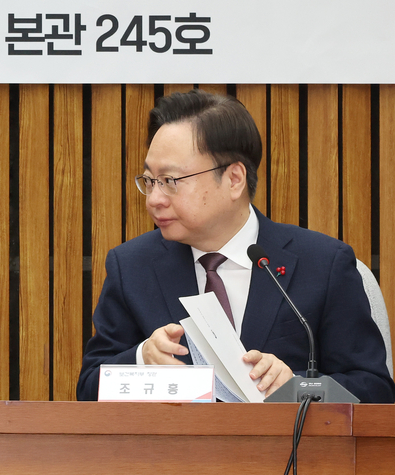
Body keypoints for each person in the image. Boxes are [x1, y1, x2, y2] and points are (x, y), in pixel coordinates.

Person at [78, 90, 394, 402]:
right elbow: (89, 388)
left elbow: (374, 390)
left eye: (170, 181)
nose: (155, 199)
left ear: (233, 180)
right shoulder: (133, 266)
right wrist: (143, 359)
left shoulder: (322, 264)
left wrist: (295, 386)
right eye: (149, 181)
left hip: (288, 453)